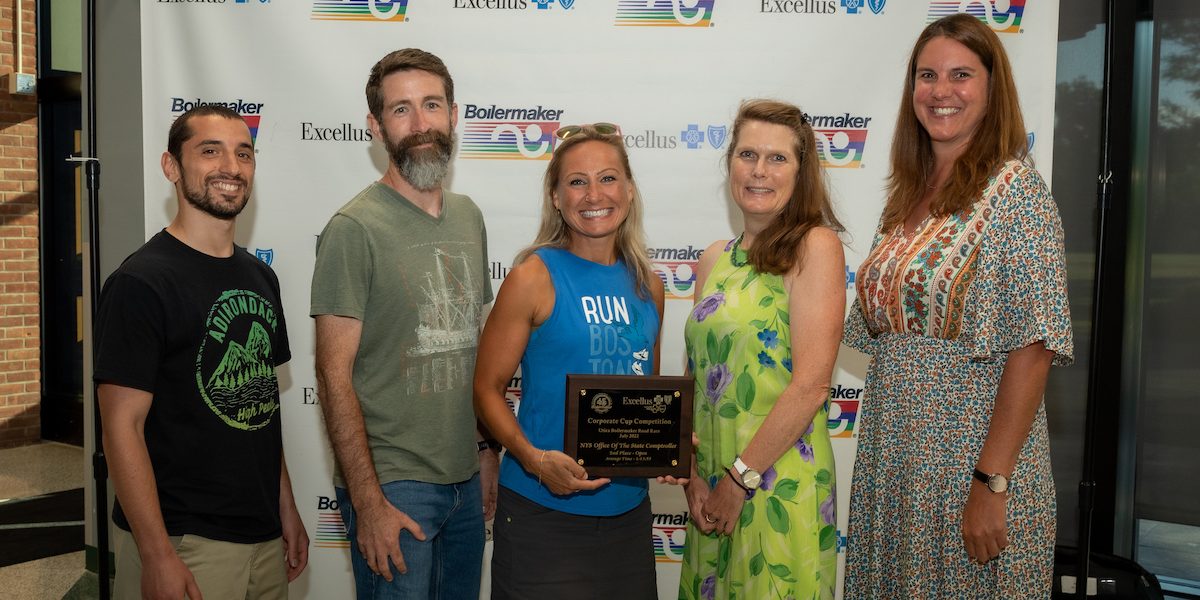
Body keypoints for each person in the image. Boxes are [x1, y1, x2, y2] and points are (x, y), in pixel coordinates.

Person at [842, 13, 1073, 598]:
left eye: (961, 75)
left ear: (993, 90)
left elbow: (1035, 344)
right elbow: (880, 334)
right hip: (894, 459)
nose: (941, 91)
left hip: (969, 459)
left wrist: (990, 482)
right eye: (927, 75)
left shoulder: (1016, 190)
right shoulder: (906, 196)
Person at [95, 104, 308, 600]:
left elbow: (259, 406)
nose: (230, 167)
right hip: (185, 542)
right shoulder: (140, 283)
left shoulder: (260, 277)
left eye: (243, 153)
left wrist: (286, 508)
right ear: (172, 167)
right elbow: (120, 428)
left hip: (261, 536)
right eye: (209, 151)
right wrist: (157, 555)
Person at [310, 48, 496, 600]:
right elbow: (332, 376)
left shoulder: (469, 216)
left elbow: (474, 347)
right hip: (394, 487)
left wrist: (486, 451)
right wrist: (367, 503)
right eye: (401, 110)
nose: (420, 125)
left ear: (454, 114)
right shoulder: (353, 228)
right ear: (375, 126)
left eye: (431, 105)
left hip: (464, 480)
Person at [473, 123, 665, 599]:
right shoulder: (533, 276)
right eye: (577, 181)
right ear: (556, 197)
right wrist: (534, 460)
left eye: (608, 178)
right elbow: (484, 389)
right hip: (543, 514)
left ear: (630, 190)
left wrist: (667, 440)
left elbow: (645, 392)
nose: (593, 194)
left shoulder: (650, 285)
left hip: (627, 513)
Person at [673, 99, 845, 600]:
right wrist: (690, 477)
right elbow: (692, 383)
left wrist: (739, 480)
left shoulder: (815, 247)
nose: (759, 171)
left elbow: (811, 387)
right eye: (748, 154)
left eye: (777, 158)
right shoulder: (711, 260)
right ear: (730, 163)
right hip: (711, 492)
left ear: (801, 171)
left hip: (776, 487)